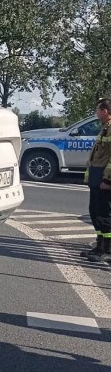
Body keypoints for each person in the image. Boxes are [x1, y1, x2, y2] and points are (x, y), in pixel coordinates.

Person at [83, 97, 111, 262]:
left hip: (105, 179)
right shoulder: (104, 128)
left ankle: (107, 249)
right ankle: (100, 245)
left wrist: (108, 180)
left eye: (98, 110)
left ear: (105, 111)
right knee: (95, 212)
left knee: (104, 213)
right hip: (97, 176)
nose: (96, 113)